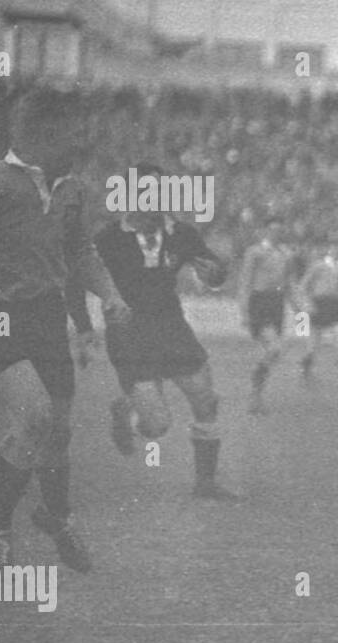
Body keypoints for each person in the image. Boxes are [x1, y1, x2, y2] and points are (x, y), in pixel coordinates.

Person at [0, 87, 133, 571]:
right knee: (33, 415)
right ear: (40, 133)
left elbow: (79, 252)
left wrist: (111, 295)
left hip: (45, 314)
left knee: (57, 432)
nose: (80, 138)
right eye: (71, 130)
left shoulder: (72, 189)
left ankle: (58, 518)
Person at [93, 164, 242, 500]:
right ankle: (127, 413)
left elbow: (214, 272)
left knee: (206, 398)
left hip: (171, 326)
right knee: (158, 426)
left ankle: (205, 482)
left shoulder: (182, 234)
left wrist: (216, 274)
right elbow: (80, 275)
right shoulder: (109, 238)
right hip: (129, 331)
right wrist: (92, 318)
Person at [237, 215, 295, 414]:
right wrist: (244, 312)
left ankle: (256, 396)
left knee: (273, 352)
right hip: (259, 302)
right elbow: (245, 282)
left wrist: (300, 309)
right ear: (265, 231)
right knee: (274, 349)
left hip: (276, 304)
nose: (277, 234)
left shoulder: (286, 254)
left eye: (280, 231)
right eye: (273, 230)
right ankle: (255, 393)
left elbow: (289, 284)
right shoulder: (255, 252)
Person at [296, 239, 338, 389]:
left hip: (334, 305)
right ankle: (305, 375)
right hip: (318, 303)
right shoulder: (319, 265)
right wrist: (307, 305)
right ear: (329, 249)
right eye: (335, 248)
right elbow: (303, 286)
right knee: (313, 344)